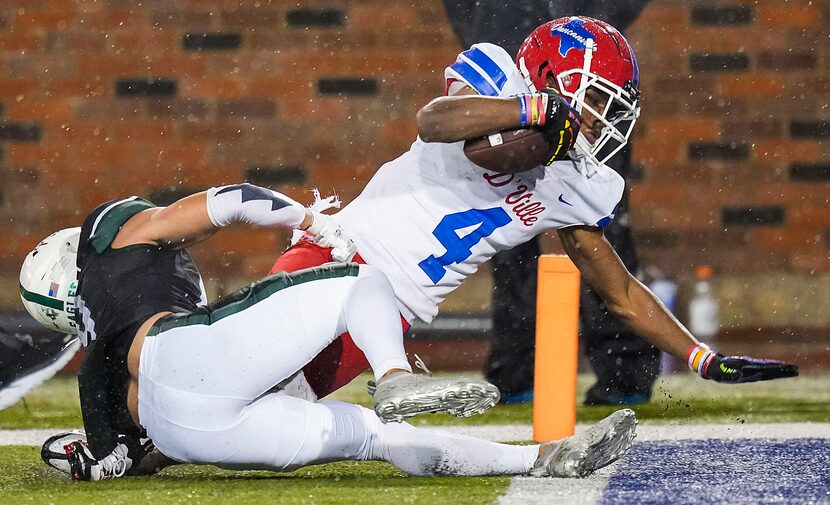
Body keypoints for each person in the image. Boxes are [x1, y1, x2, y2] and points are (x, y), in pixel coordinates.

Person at [266, 16, 798, 403]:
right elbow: (435, 121)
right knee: (217, 377)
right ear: (551, 78)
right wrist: (535, 110)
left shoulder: (579, 183)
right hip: (337, 257)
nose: (600, 119)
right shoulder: (497, 79)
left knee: (270, 414)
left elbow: (623, 293)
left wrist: (702, 357)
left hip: (397, 314)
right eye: (595, 99)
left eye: (612, 107)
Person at [23, 185, 638, 481]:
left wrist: (96, 454)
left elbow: (138, 450)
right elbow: (232, 200)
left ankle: (548, 459)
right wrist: (315, 219)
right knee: (357, 282)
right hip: (185, 354)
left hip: (185, 429)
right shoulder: (110, 236)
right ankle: (395, 377)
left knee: (376, 441)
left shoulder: (98, 362)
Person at [442, 0, 657, 405]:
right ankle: (518, 368)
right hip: (518, 69)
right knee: (508, 222)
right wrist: (490, 29)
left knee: (598, 222)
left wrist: (598, 28)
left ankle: (623, 370)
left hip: (589, 77)